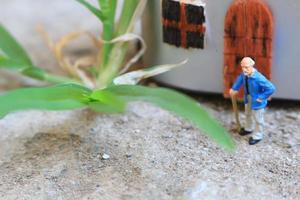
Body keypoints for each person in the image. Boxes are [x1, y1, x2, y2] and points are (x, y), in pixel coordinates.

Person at [229, 57, 276, 145]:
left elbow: (271, 88)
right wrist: (234, 88)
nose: (244, 69)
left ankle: (258, 135)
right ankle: (248, 128)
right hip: (248, 98)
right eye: (242, 67)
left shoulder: (258, 78)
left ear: (251, 66)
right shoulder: (244, 74)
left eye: (246, 67)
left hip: (257, 102)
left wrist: (262, 97)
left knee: (258, 119)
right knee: (248, 114)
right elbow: (240, 80)